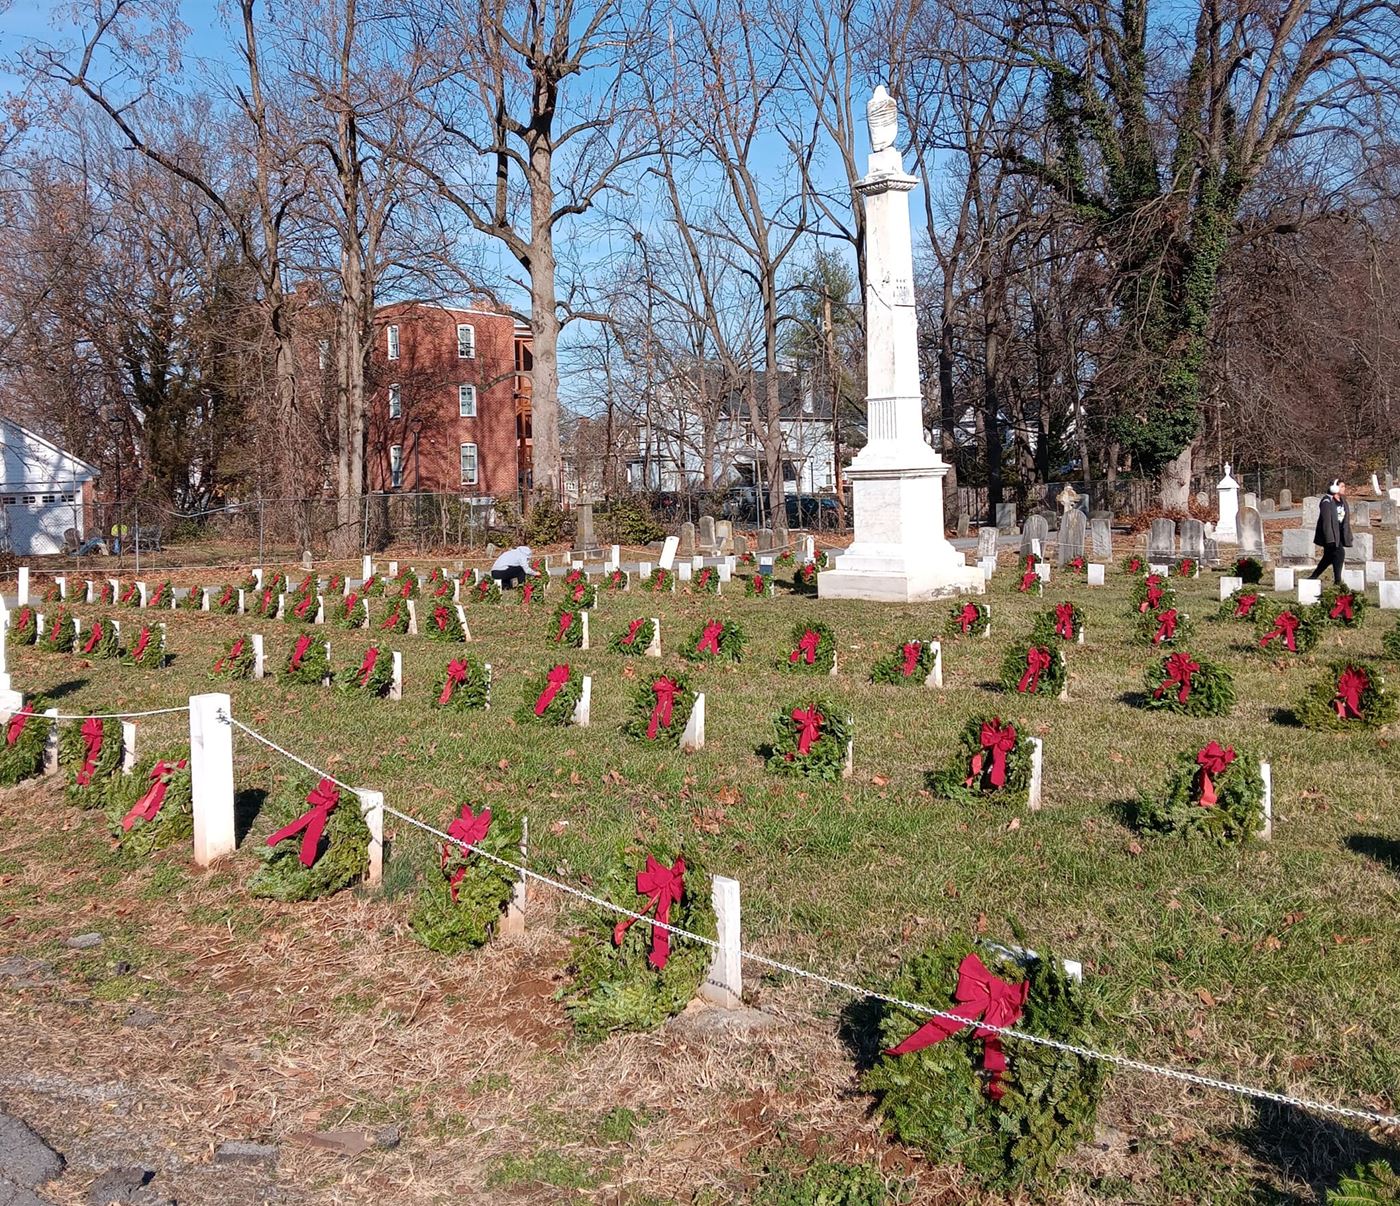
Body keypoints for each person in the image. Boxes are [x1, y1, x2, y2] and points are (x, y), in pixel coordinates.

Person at [1309, 479, 1352, 584]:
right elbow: (1326, 522)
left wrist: (1347, 535)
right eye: (1342, 486)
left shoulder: (1343, 501)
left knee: (1328, 558)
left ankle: (1313, 577)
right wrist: (1330, 539)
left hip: (1339, 534)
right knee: (1339, 553)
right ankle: (1338, 581)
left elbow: (1345, 519)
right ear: (1334, 488)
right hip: (1330, 535)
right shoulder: (1326, 501)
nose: (1344, 488)